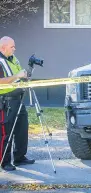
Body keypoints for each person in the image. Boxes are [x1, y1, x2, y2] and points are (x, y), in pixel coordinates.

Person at [0, 36, 35, 171]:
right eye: (12, 47)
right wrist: (17, 76)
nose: (14, 49)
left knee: (22, 128)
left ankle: (20, 157)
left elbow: (20, 75)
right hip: (6, 101)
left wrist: (26, 75)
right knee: (6, 132)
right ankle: (5, 161)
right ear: (3, 48)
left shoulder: (13, 59)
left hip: (18, 99)